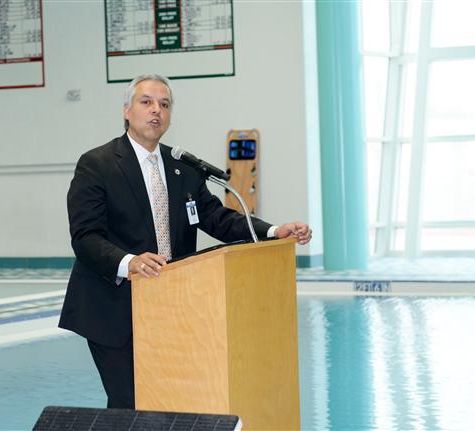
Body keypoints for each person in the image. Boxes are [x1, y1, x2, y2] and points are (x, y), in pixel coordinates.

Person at [59, 73, 312, 409]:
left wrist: (272, 230)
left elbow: (216, 218)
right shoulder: (97, 164)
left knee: (168, 398)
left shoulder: (182, 167)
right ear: (126, 110)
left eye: (164, 104)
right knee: (130, 402)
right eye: (146, 102)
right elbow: (85, 237)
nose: (156, 111)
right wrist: (129, 261)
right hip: (114, 304)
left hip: (171, 304)